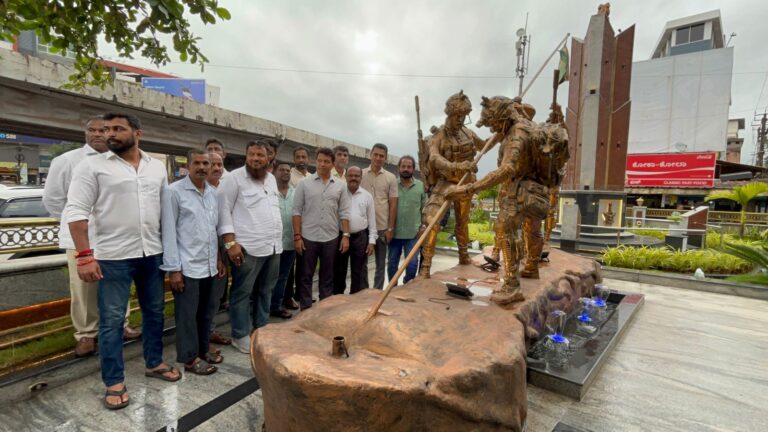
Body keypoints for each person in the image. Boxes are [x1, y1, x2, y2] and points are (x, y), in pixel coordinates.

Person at [66, 112, 180, 410]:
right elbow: (76, 211)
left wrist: (169, 255)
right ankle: (114, 381)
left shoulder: (156, 168)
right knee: (113, 320)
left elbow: (164, 212)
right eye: (106, 129)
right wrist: (84, 256)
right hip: (112, 257)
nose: (110, 134)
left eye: (118, 129)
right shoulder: (92, 166)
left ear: (137, 133)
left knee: (154, 313)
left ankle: (154, 362)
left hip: (151, 254)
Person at [42, 115, 139, 358]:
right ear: (85, 133)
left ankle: (122, 324)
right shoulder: (67, 161)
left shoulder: (121, 160)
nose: (98, 134)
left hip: (116, 237)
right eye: (92, 130)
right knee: (84, 290)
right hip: (81, 239)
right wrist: (76, 222)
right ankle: (86, 334)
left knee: (119, 282)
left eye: (103, 130)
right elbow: (53, 200)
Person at [161, 150, 226, 375]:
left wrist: (218, 258)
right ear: (188, 166)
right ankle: (189, 358)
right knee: (187, 316)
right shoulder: (174, 192)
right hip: (187, 266)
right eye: (197, 163)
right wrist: (174, 270)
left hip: (209, 264)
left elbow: (213, 230)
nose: (202, 167)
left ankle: (203, 350)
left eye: (205, 163)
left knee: (206, 313)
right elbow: (168, 232)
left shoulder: (212, 193)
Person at [217, 140, 282, 354]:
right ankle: (240, 334)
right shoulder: (233, 179)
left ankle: (261, 327)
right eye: (252, 155)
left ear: (268, 158)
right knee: (242, 292)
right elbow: (223, 211)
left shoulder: (271, 179)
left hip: (272, 246)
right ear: (246, 156)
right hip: (247, 248)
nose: (255, 159)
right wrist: (230, 244)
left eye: (260, 155)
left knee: (266, 290)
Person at [418, 91, 484, 278]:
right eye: (457, 116)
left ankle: (464, 256)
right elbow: (435, 158)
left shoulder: (468, 133)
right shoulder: (438, 135)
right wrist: (457, 165)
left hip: (465, 184)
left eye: (464, 116)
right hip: (445, 182)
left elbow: (484, 144)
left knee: (463, 222)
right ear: (449, 114)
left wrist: (503, 130)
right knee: (431, 219)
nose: (461, 119)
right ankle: (426, 267)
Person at [292, 147, 351, 309]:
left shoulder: (340, 186)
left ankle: (323, 310)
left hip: (330, 238)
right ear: (315, 161)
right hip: (307, 237)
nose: (322, 164)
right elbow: (296, 211)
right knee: (305, 276)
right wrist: (297, 236)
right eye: (319, 161)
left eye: (326, 161)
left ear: (332, 164)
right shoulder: (304, 184)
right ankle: (305, 310)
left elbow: (344, 212)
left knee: (327, 276)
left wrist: (345, 236)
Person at [333, 166, 376, 294]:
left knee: (360, 271)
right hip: (341, 237)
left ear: (361, 178)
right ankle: (338, 299)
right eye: (351, 175)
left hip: (360, 237)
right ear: (346, 177)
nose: (353, 178)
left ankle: (357, 299)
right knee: (339, 270)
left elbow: (372, 220)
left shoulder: (367, 196)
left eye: (356, 176)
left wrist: (372, 241)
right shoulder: (339, 193)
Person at [360, 143, 398, 289]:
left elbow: (393, 204)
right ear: (371, 155)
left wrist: (390, 228)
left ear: (386, 158)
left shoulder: (391, 178)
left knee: (380, 264)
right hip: (363, 227)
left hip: (382, 227)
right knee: (361, 263)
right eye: (375, 155)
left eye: (381, 156)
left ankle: (377, 292)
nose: (378, 158)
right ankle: (363, 291)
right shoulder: (361, 174)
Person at [206, 152, 232, 348]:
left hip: (223, 246)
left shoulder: (224, 189)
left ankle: (209, 329)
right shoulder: (198, 190)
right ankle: (202, 334)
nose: (216, 168)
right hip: (202, 251)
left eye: (219, 164)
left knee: (216, 292)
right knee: (202, 296)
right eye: (211, 164)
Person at [387, 156, 427, 284]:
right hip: (394, 233)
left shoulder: (421, 187)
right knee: (392, 263)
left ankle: (407, 287)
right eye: (403, 166)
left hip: (413, 234)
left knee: (412, 264)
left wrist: (423, 227)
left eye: (409, 167)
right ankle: (392, 288)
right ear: (398, 168)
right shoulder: (392, 185)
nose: (406, 169)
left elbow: (425, 210)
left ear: (413, 169)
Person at [269, 162, 295, 319]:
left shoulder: (296, 192)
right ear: (274, 172)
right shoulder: (269, 192)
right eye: (281, 170)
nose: (285, 173)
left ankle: (276, 306)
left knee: (283, 276)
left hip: (290, 242)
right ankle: (262, 306)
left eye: (287, 170)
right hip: (272, 243)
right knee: (268, 277)